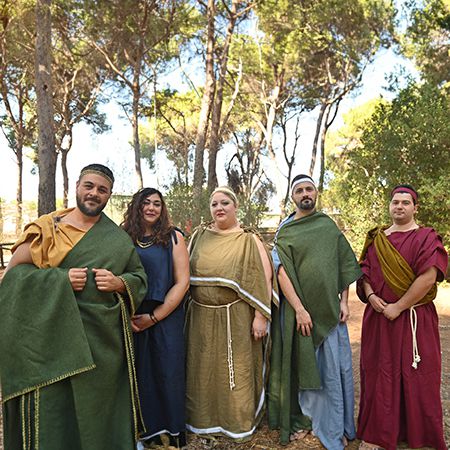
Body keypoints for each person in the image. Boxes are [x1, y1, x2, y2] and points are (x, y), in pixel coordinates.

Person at [0, 164, 147, 450]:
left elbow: (139, 278)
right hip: (48, 339)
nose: (94, 193)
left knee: (95, 412)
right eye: (89, 186)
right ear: (77, 187)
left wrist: (120, 283)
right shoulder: (49, 229)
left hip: (100, 344)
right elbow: (13, 277)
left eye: (102, 190)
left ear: (109, 195)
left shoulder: (118, 239)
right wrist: (60, 279)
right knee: (54, 410)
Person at [268, 174, 362, 449]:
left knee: (333, 372)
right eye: (299, 190)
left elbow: (344, 264)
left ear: (316, 192)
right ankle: (306, 419)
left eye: (309, 188)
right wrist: (299, 309)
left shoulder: (328, 226)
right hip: (299, 315)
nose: (305, 193)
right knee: (304, 369)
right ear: (292, 196)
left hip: (331, 312)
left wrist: (344, 300)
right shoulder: (285, 231)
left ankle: (334, 425)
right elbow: (281, 272)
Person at [356, 184, 448, 450]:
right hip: (379, 317)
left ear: (415, 208)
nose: (399, 206)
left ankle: (419, 433)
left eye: (405, 203)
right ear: (389, 205)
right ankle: (378, 433)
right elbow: (365, 272)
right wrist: (372, 296)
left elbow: (429, 276)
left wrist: (400, 306)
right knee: (378, 371)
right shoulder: (377, 239)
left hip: (414, 318)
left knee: (417, 373)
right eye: (395, 202)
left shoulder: (427, 237)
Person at [185, 186, 278, 441]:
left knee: (236, 373)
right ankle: (202, 422)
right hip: (200, 317)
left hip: (236, 318)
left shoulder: (249, 239)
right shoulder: (199, 236)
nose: (219, 208)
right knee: (201, 372)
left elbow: (264, 277)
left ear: (236, 206)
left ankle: (237, 423)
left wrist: (260, 316)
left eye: (225, 203)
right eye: (214, 204)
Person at [121, 187, 190, 448]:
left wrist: (154, 316)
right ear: (137, 206)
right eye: (146, 203)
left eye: (157, 204)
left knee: (167, 371)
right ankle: (142, 433)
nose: (152, 208)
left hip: (166, 314)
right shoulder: (124, 237)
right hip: (131, 315)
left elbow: (182, 282)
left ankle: (170, 434)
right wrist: (129, 315)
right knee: (139, 374)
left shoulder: (173, 237)